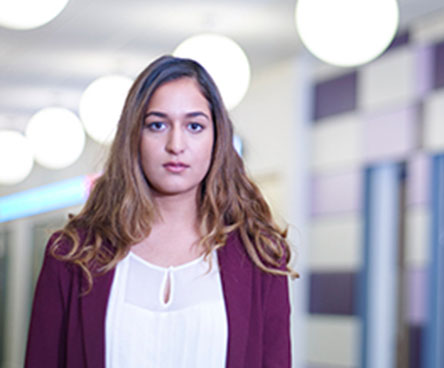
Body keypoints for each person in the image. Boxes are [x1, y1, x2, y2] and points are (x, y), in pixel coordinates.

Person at [25, 55, 297, 368]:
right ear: (133, 138)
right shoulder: (73, 254)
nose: (176, 144)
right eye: (157, 125)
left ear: (217, 138)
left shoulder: (259, 255)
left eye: (194, 126)